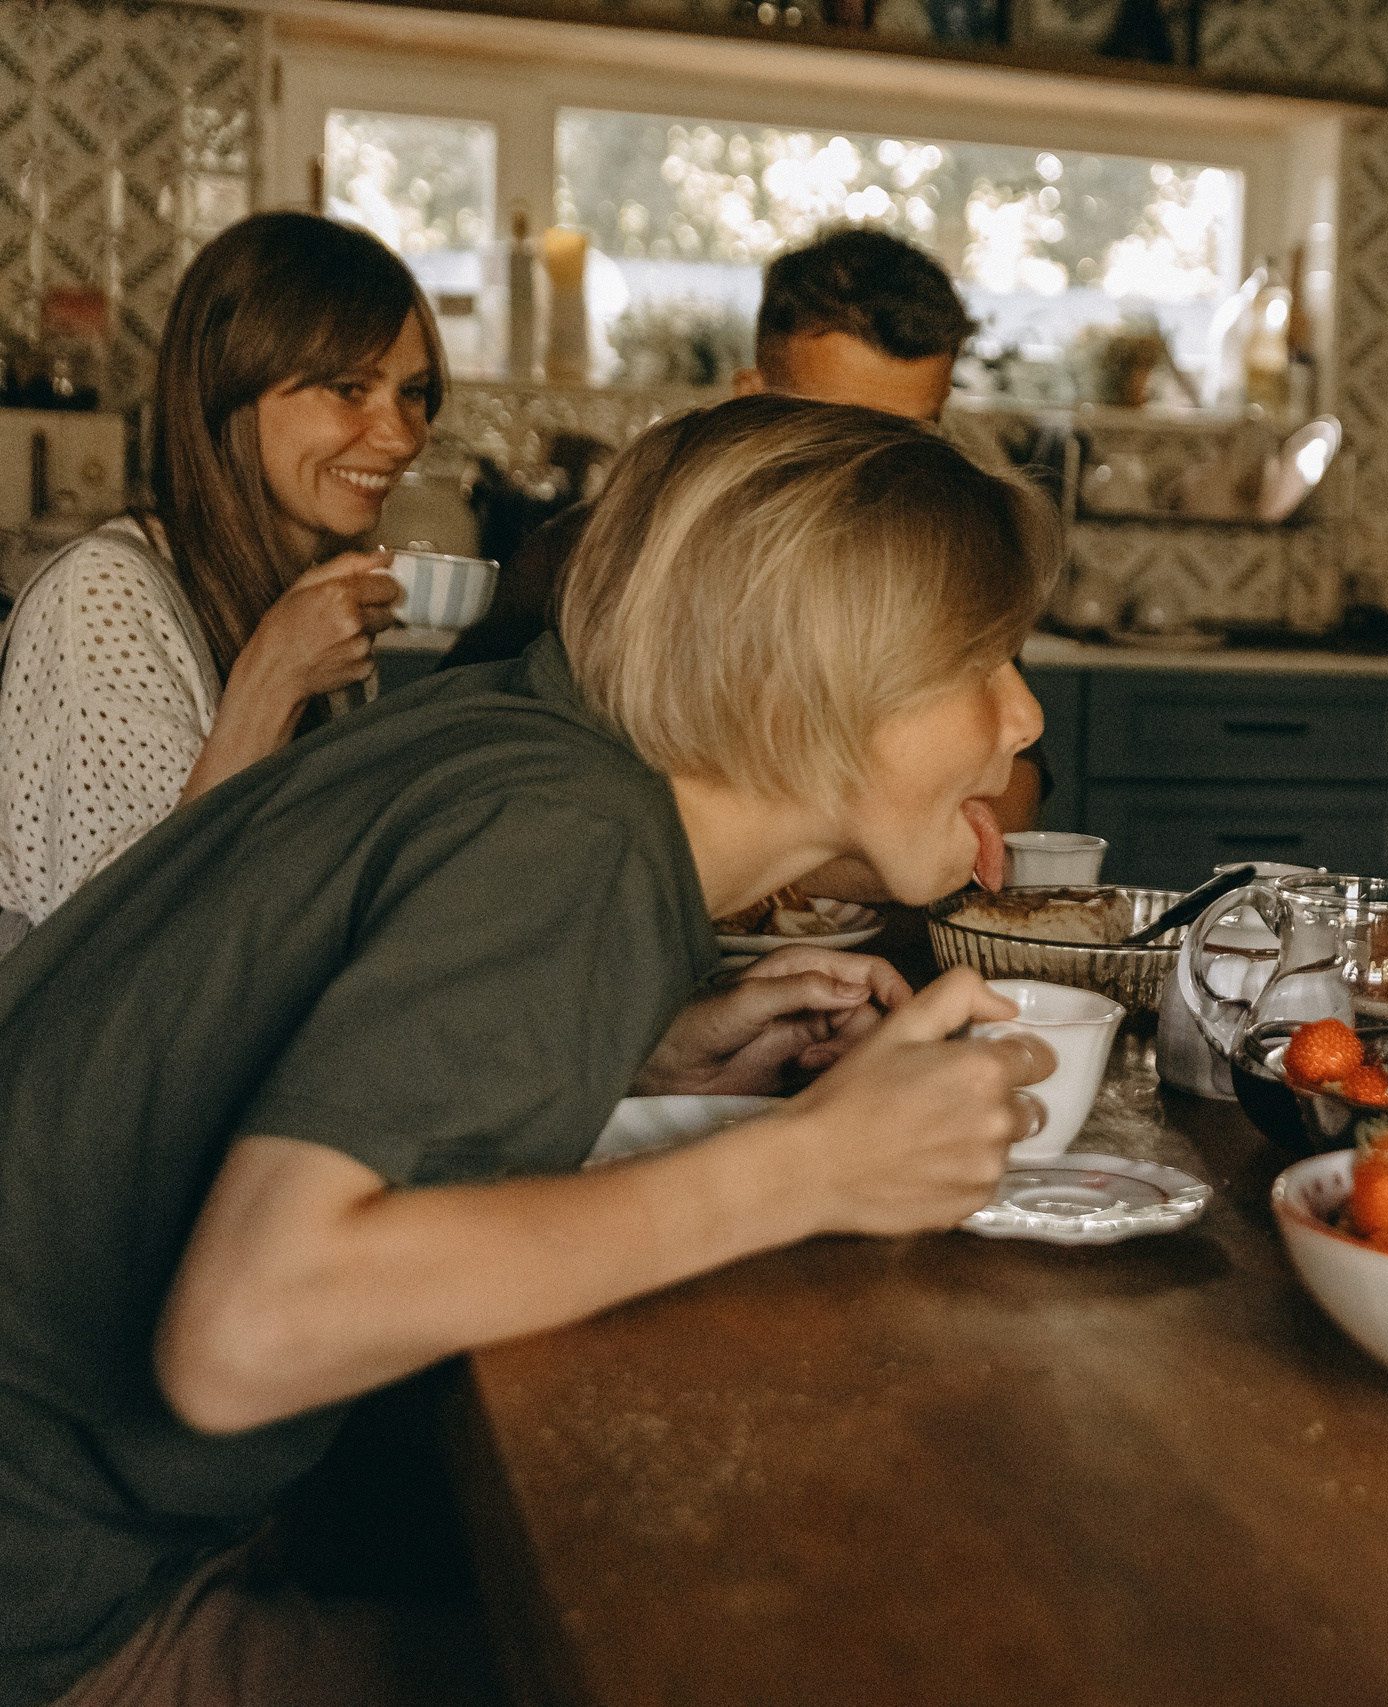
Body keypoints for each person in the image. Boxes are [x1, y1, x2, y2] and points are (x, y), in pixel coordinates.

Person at [0, 395, 1056, 1706]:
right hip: (60, 1617)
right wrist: (812, 1164)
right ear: (802, 694)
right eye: (982, 664)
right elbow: (246, 1331)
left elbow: (305, 1043)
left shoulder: (515, 736)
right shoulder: (582, 843)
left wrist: (636, 1057)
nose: (1024, 719)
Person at [442, 225, 1045, 843]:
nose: (874, 470)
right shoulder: (586, 558)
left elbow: (1015, 782)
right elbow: (470, 759)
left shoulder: (952, 572)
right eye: (834, 428)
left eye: (912, 438)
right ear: (749, 398)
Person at [0, 213, 429, 950]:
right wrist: (271, 678)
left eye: (414, 393)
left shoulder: (304, 596)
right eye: (351, 388)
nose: (402, 436)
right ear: (230, 389)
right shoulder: (103, 595)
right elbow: (110, 946)